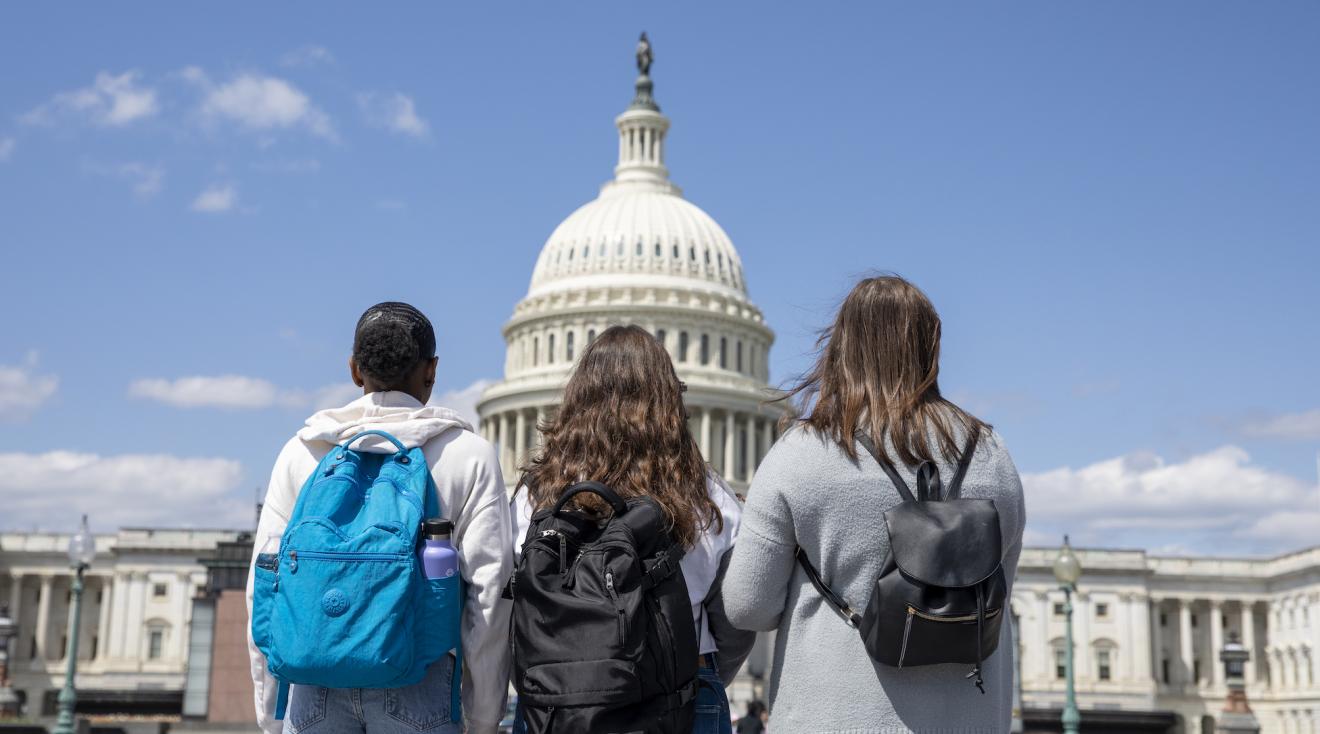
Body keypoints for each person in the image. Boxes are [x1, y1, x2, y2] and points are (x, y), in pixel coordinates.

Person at [722, 276, 1026, 733]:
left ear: (840, 349)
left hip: (836, 713)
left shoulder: (802, 452)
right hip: (971, 715)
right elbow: (1000, 581)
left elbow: (748, 606)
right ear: (931, 348)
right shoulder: (993, 452)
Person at [246, 302, 514, 734]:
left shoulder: (304, 451)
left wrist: (270, 708)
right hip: (420, 679)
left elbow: (265, 586)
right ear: (432, 370)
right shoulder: (468, 455)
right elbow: (489, 595)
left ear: (354, 370)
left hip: (313, 680)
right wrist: (483, 714)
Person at [511, 325, 754, 734]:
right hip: (683, 696)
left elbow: (513, 608)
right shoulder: (708, 495)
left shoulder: (536, 494)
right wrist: (701, 672)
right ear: (670, 402)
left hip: (558, 704)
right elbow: (736, 617)